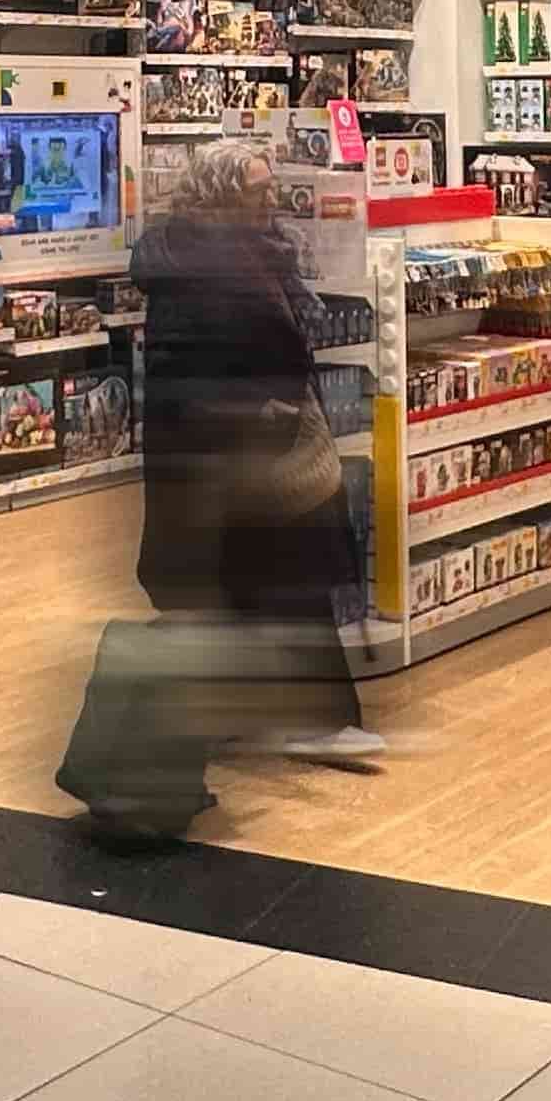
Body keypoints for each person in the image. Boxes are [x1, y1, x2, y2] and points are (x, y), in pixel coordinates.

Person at [133, 139, 378, 768]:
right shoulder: (193, 267)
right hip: (228, 455)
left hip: (259, 447)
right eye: (256, 190)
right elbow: (182, 370)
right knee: (275, 584)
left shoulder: (254, 252)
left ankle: (257, 717)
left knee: (255, 585)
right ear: (219, 196)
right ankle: (314, 722)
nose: (271, 199)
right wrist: (257, 417)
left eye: (269, 187)